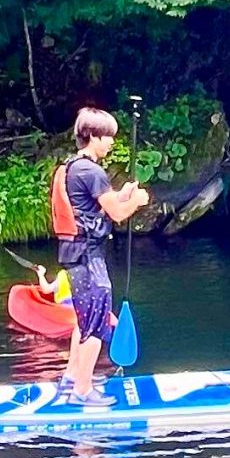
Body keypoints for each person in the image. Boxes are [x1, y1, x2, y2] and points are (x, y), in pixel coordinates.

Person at [51, 107, 151, 405]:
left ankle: (72, 376)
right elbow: (118, 214)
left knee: (84, 320)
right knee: (95, 321)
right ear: (93, 136)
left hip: (75, 254)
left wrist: (122, 195)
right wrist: (136, 201)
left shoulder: (72, 166)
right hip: (88, 257)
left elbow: (98, 206)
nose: (111, 143)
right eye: (108, 137)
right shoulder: (91, 171)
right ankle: (82, 392)